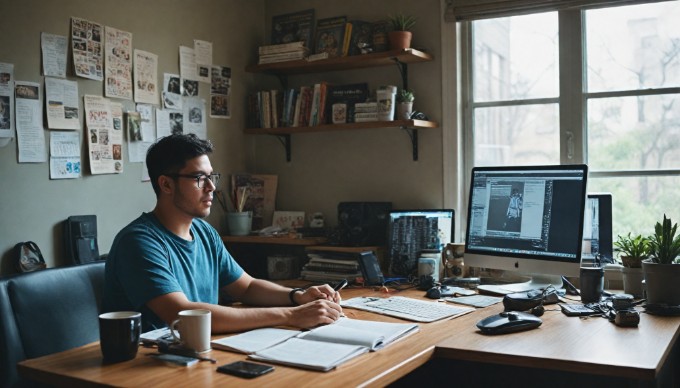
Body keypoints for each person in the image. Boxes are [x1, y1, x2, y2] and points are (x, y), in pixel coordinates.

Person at [102, 133, 343, 333]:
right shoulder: (139, 242)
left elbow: (246, 287)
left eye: (211, 176)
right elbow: (183, 314)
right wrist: (291, 315)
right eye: (199, 178)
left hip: (201, 350)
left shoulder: (204, 232)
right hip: (153, 363)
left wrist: (297, 296)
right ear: (166, 184)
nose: (212, 188)